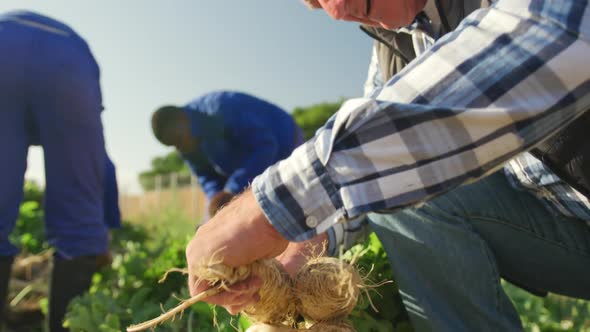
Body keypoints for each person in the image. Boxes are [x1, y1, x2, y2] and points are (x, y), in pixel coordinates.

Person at [184, 1, 590, 331]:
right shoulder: (392, 49)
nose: (336, 11)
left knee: (395, 163)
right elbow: (364, 177)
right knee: (395, 183)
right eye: (314, 1)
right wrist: (300, 248)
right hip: (563, 228)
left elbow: (556, 31)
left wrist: (264, 213)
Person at [0, 10, 115, 331]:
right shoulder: (75, 63)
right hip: (68, 59)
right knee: (78, 213)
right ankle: (64, 325)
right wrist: (101, 231)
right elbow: (98, 166)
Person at [151, 91, 304, 219]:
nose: (180, 148)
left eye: (178, 140)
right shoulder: (185, 144)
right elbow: (207, 178)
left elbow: (266, 146)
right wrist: (217, 202)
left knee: (293, 207)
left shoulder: (222, 109)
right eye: (174, 146)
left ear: (181, 119)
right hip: (248, 167)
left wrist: (232, 189)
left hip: (286, 143)